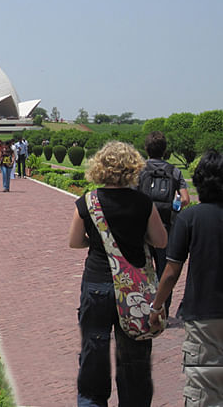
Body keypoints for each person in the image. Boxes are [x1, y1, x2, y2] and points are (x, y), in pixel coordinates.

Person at [67, 141, 167, 407]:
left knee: (94, 350)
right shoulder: (143, 203)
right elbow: (160, 240)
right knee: (134, 356)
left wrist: (99, 244)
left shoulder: (87, 202)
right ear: (132, 167)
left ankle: (92, 400)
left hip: (98, 282)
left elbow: (75, 241)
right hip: (133, 288)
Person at [149, 150, 223, 406]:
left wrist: (157, 306)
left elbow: (171, 272)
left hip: (204, 314)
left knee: (203, 388)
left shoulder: (190, 218)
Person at [138, 131, 190, 314]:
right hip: (166, 228)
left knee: (142, 271)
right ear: (165, 150)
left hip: (142, 230)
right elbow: (185, 199)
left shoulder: (140, 170)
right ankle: (162, 310)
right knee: (164, 272)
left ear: (146, 149)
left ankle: (143, 309)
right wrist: (173, 208)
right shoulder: (174, 172)